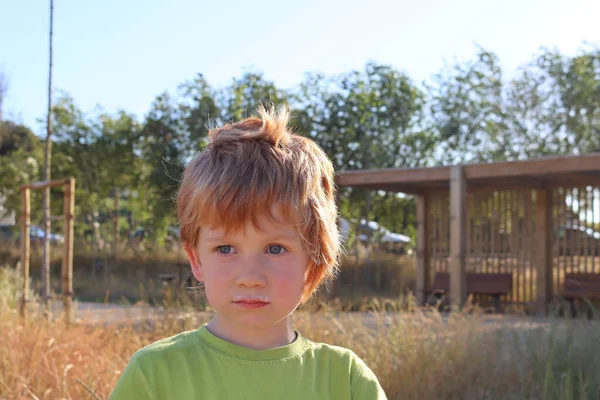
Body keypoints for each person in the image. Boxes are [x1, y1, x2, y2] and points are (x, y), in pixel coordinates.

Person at [109, 105, 387, 399]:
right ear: (196, 259)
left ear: (313, 258)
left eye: (275, 249)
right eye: (225, 248)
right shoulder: (153, 374)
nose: (251, 278)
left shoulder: (346, 380)